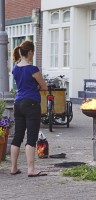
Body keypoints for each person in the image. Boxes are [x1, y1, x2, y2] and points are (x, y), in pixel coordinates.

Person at [11, 40, 48, 177]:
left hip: (18, 103)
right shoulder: (33, 69)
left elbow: (22, 83)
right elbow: (44, 87)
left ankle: (13, 168)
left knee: (18, 137)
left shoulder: (15, 68)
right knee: (31, 138)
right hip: (31, 104)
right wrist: (37, 87)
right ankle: (31, 169)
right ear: (31, 52)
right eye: (33, 52)